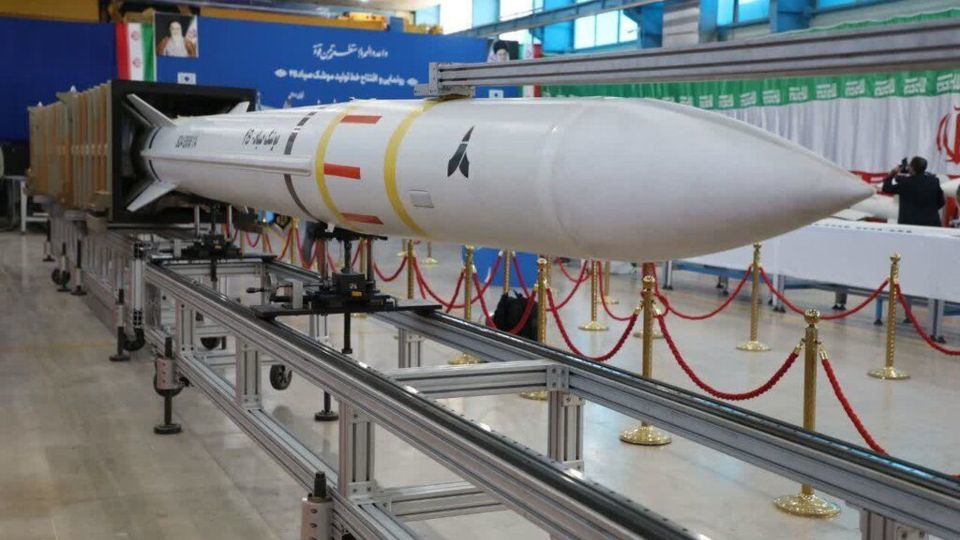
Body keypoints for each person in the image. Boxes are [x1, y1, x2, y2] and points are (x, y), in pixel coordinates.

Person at [881, 156, 944, 226]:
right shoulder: (934, 181)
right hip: (931, 225)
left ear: (912, 168)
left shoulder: (905, 183)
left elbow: (886, 188)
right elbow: (941, 202)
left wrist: (891, 175)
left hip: (910, 226)